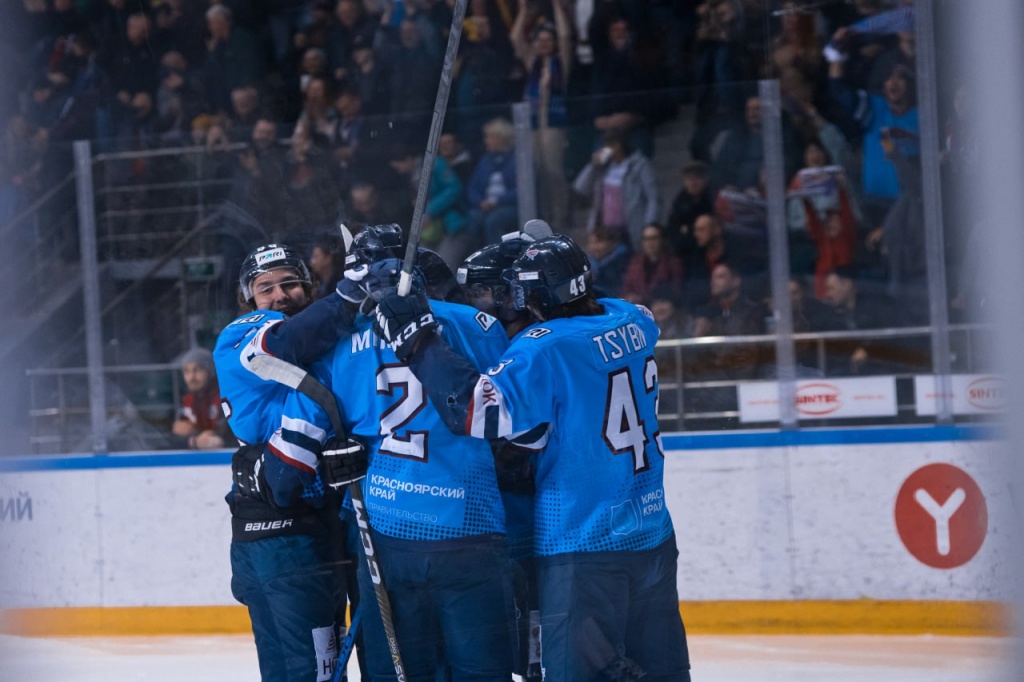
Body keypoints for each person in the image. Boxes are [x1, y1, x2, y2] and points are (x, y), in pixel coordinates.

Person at [372, 234, 691, 681]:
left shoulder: (544, 348)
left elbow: (473, 411)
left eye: (518, 293)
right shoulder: (633, 318)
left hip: (584, 542)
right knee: (663, 671)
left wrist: (418, 339)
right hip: (652, 534)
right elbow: (594, 311)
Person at [270, 254, 518, 682]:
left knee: (396, 672)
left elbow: (285, 470)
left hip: (387, 537)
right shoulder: (475, 324)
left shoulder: (335, 345)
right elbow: (516, 424)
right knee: (481, 672)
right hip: (470, 529)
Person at [213, 242, 368, 682]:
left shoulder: (327, 337)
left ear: (309, 286)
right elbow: (285, 343)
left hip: (309, 527)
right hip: (283, 533)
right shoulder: (244, 332)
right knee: (312, 671)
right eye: (266, 288)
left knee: (307, 669)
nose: (280, 295)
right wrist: (351, 295)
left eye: (290, 283)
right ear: (249, 299)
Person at [572, 126, 660, 254]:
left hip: (631, 228)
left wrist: (649, 223)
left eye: (613, 145)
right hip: (607, 230)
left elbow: (653, 197)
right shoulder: (603, 168)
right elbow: (580, 187)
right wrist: (592, 165)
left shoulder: (639, 165)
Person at [169, 347, 229, 450]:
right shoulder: (186, 401)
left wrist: (193, 433)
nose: (191, 377)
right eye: (186, 371)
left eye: (197, 370)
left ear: (209, 372)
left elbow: (225, 436)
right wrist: (194, 441)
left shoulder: (224, 398)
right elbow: (171, 440)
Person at [620, 223, 684, 305]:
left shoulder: (673, 263)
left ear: (662, 240)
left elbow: (676, 291)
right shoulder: (635, 263)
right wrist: (630, 296)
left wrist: (646, 299)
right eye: (646, 239)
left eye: (653, 238)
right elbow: (626, 289)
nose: (649, 243)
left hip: (661, 308)